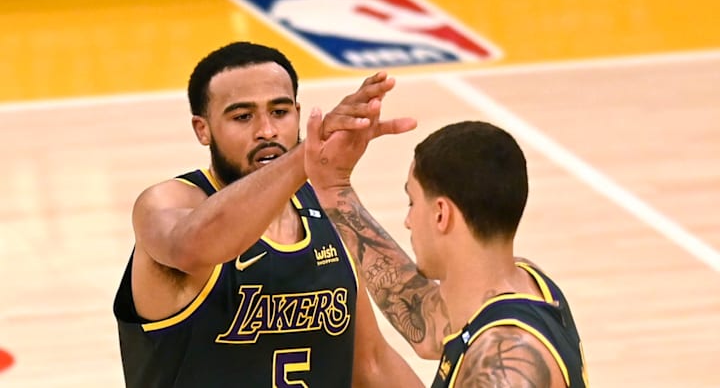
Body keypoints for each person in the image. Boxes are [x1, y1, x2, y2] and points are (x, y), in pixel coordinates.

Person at [112, 41, 423, 388]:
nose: (267, 131)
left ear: (299, 113)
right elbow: (192, 247)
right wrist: (308, 155)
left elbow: (371, 363)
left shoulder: (324, 211)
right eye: (243, 117)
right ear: (203, 129)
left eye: (279, 112)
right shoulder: (168, 202)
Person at [304, 117, 589, 387]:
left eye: (412, 202)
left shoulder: (502, 367)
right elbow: (423, 318)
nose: (408, 220)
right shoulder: (524, 283)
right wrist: (332, 187)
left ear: (441, 214)